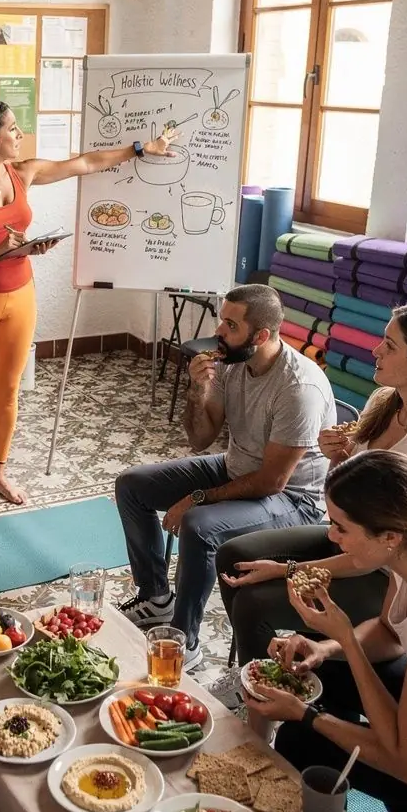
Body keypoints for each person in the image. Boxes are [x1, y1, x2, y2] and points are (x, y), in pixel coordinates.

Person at [0, 97, 176, 526]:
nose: (19, 134)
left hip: (21, 293)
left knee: (10, 391)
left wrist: (142, 149)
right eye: (12, 129)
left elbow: (83, 163)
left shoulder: (22, 172)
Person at [211, 302, 407, 705]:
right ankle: (253, 668)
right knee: (233, 555)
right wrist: (338, 457)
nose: (376, 351)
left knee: (254, 603)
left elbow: (382, 544)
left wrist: (288, 568)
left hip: (381, 568)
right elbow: (353, 495)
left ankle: (272, 692)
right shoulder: (385, 401)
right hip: (349, 534)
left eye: (390, 345)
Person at [115, 285, 336, 668]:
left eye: (231, 325)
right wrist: (197, 389)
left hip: (293, 499)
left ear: (262, 336)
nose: (219, 332)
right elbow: (200, 438)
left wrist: (196, 498)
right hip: (236, 466)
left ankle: (185, 640)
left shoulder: (298, 388)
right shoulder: (232, 365)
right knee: (131, 485)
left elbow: (271, 482)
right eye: (222, 320)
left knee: (200, 525)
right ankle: (157, 599)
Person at [246, 450, 407, 812]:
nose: (330, 535)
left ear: (390, 535)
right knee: (312, 678)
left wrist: (309, 713)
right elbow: (390, 634)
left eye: (341, 527)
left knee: (302, 734)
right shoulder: (406, 555)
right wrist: (325, 647)